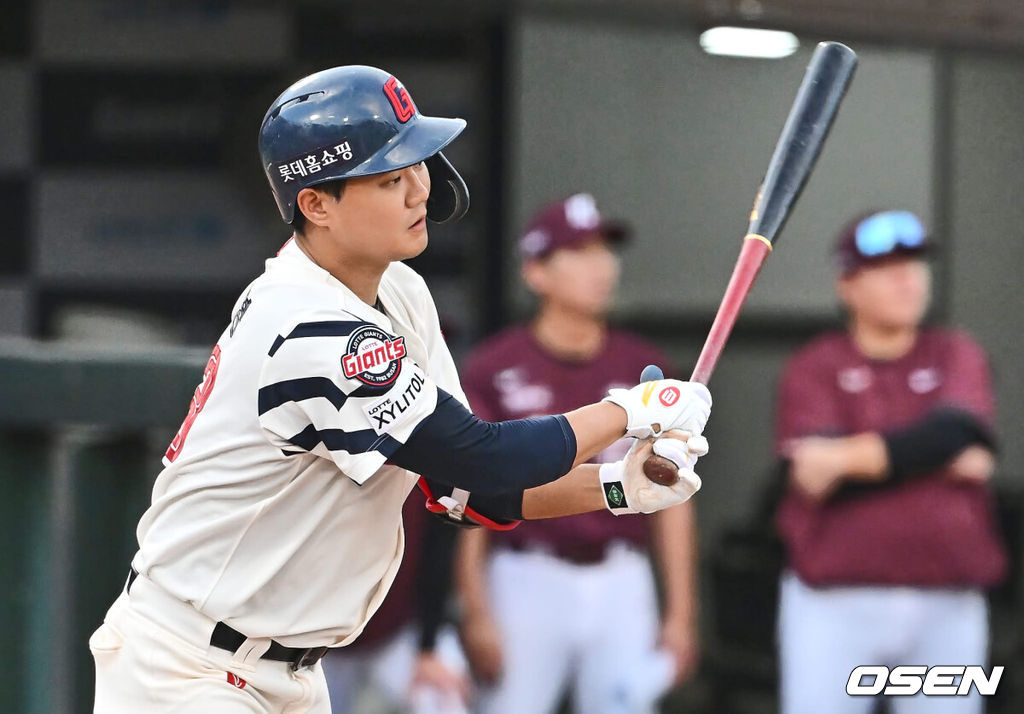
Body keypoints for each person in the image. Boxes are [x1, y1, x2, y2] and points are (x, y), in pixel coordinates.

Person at [88, 65, 713, 714]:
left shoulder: (401, 292)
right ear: (317, 204)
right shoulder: (307, 324)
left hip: (284, 672)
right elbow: (482, 456)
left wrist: (617, 487)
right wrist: (627, 411)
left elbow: (465, 491)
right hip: (188, 671)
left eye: (418, 163)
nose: (420, 190)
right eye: (390, 178)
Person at [454, 194, 701, 714]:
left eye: (605, 251)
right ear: (536, 271)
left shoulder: (646, 367)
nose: (602, 266)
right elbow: (465, 490)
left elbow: (673, 494)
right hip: (525, 572)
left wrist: (681, 614)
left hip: (620, 573)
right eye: (580, 252)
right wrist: (475, 610)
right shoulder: (494, 367)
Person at [773, 209, 1007, 714]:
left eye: (916, 262)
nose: (908, 278)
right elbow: (812, 475)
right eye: (886, 266)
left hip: (947, 604)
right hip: (835, 605)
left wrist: (848, 457)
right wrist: (933, 454)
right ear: (847, 285)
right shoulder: (817, 363)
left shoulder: (957, 352)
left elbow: (961, 437)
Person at [320, 496, 470, 714]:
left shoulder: (431, 472)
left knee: (440, 696)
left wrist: (428, 645)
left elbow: (441, 549)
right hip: (324, 635)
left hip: (397, 629)